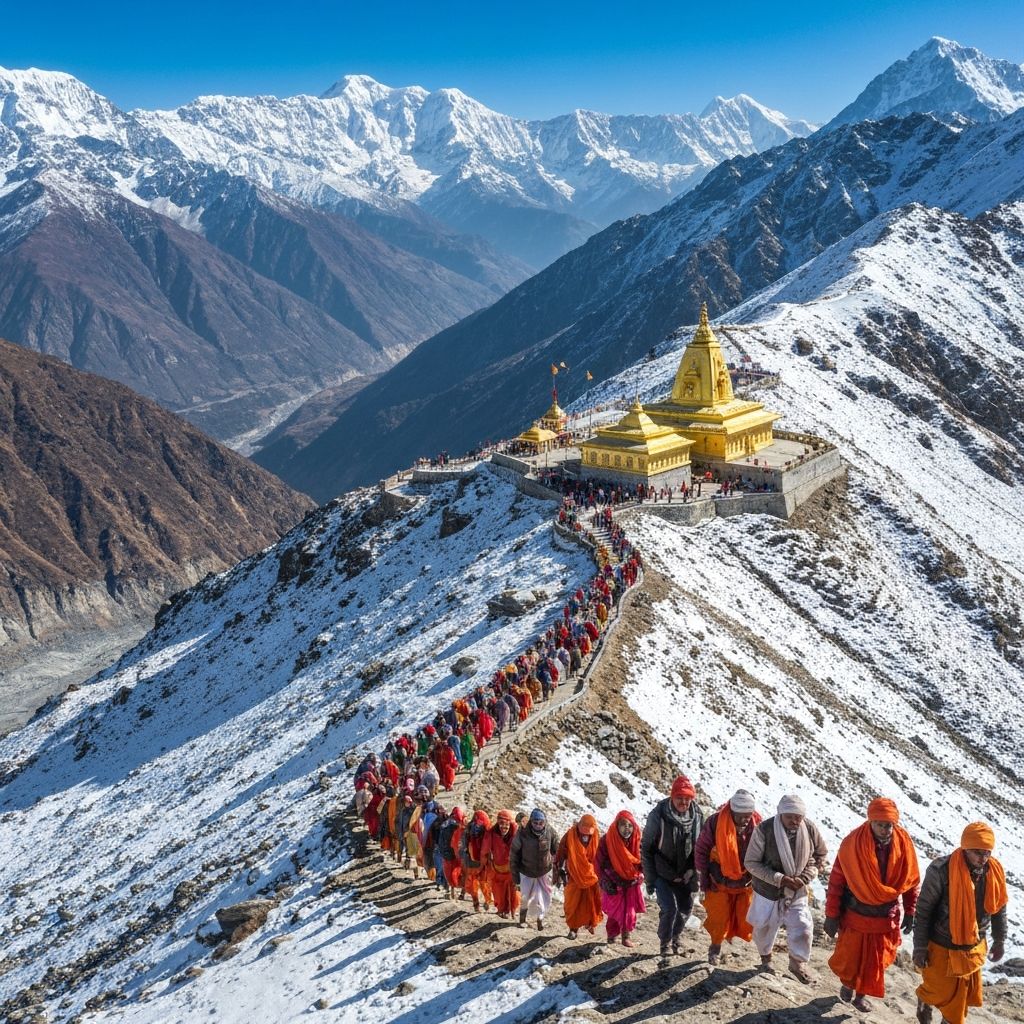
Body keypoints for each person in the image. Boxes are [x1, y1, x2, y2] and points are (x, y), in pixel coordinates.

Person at [825, 797, 920, 1012]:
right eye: (880, 824)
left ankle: (860, 996)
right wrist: (831, 915)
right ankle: (848, 985)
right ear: (870, 821)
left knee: (873, 963)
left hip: (884, 918)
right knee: (851, 958)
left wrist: (911, 911)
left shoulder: (903, 843)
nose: (885, 830)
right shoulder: (852, 843)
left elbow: (911, 880)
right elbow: (837, 880)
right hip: (855, 915)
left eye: (889, 825)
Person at [913, 822, 1008, 1024]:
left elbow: (999, 907)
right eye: (977, 852)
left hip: (973, 946)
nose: (983, 858)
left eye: (987, 853)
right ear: (965, 848)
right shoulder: (941, 871)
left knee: (959, 1002)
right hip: (941, 945)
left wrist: (999, 939)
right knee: (937, 990)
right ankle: (924, 1000)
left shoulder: (995, 872)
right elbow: (923, 911)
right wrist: (920, 947)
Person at [744, 794, 828, 983]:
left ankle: (797, 963)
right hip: (768, 889)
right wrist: (779, 879)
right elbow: (751, 862)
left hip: (798, 888)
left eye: (798, 816)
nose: (794, 820)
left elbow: (821, 854)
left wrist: (807, 876)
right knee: (764, 927)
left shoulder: (809, 828)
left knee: (803, 926)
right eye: (790, 816)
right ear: (780, 813)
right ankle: (765, 958)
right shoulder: (764, 830)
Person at [695, 788, 761, 965]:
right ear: (732, 811)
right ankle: (714, 948)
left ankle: (739, 946)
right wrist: (704, 880)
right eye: (741, 815)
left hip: (745, 882)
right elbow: (701, 850)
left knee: (746, 918)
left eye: (748, 815)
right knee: (719, 918)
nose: (745, 819)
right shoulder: (715, 822)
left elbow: (764, 854)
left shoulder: (757, 824)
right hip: (719, 881)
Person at [642, 775, 704, 957]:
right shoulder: (658, 814)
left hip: (687, 872)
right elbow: (647, 848)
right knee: (669, 909)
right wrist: (650, 879)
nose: (683, 802)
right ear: (672, 797)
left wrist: (693, 871)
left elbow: (700, 847)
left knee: (685, 909)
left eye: (687, 798)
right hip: (663, 871)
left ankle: (676, 937)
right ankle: (665, 943)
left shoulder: (698, 815)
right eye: (679, 798)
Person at [597, 810, 646, 947]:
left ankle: (626, 937)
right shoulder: (607, 840)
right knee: (614, 911)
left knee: (629, 910)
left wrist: (642, 873)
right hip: (613, 880)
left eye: (630, 825)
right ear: (616, 825)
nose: (627, 829)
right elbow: (599, 861)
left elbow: (642, 860)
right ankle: (611, 936)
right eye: (623, 825)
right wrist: (604, 880)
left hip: (631, 881)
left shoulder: (636, 840)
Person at [555, 813, 602, 939]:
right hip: (573, 875)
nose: (586, 835)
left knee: (591, 902)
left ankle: (590, 923)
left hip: (591, 876)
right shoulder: (570, 835)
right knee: (572, 904)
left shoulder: (596, 836)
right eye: (584, 832)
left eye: (589, 833)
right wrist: (559, 870)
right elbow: (561, 853)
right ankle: (573, 929)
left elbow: (600, 856)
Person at [510, 808, 559, 930]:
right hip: (526, 870)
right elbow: (514, 855)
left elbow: (556, 848)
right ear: (531, 822)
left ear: (545, 822)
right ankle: (522, 919)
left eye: (541, 823)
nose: (538, 826)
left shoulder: (549, 831)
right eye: (535, 823)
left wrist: (555, 865)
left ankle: (540, 919)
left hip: (544, 871)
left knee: (545, 896)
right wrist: (516, 878)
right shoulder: (522, 833)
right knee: (525, 896)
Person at [484, 810, 520, 920]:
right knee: (499, 893)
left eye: (506, 825)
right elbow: (485, 849)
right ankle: (502, 910)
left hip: (511, 870)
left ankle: (511, 911)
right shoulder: (491, 833)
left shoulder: (516, 834)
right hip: (497, 869)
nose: (503, 827)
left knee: (512, 893)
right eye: (501, 824)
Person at [460, 810, 493, 912]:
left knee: (473, 884)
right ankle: (487, 901)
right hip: (483, 863)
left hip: (471, 863)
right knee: (484, 883)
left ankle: (476, 904)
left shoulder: (468, 829)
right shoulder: (487, 829)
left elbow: (464, 846)